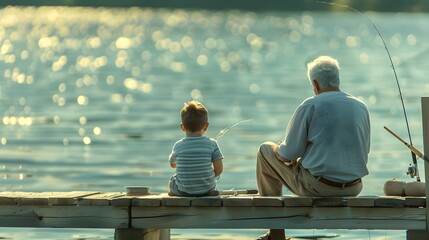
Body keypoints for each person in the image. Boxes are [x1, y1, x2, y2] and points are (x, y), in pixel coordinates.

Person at [256, 56, 371, 240]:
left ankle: (276, 233)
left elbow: (287, 155)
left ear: (315, 84)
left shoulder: (311, 105)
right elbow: (364, 151)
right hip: (354, 187)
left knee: (265, 151)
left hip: (319, 187)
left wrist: (278, 149)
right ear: (337, 79)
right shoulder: (361, 107)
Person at [168, 100, 224, 196]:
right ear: (206, 126)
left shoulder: (178, 145)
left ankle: (173, 192)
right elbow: (219, 170)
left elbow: (172, 164)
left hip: (183, 191)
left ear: (182, 127)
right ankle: (206, 189)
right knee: (215, 178)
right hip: (207, 189)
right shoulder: (213, 144)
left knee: (172, 180)